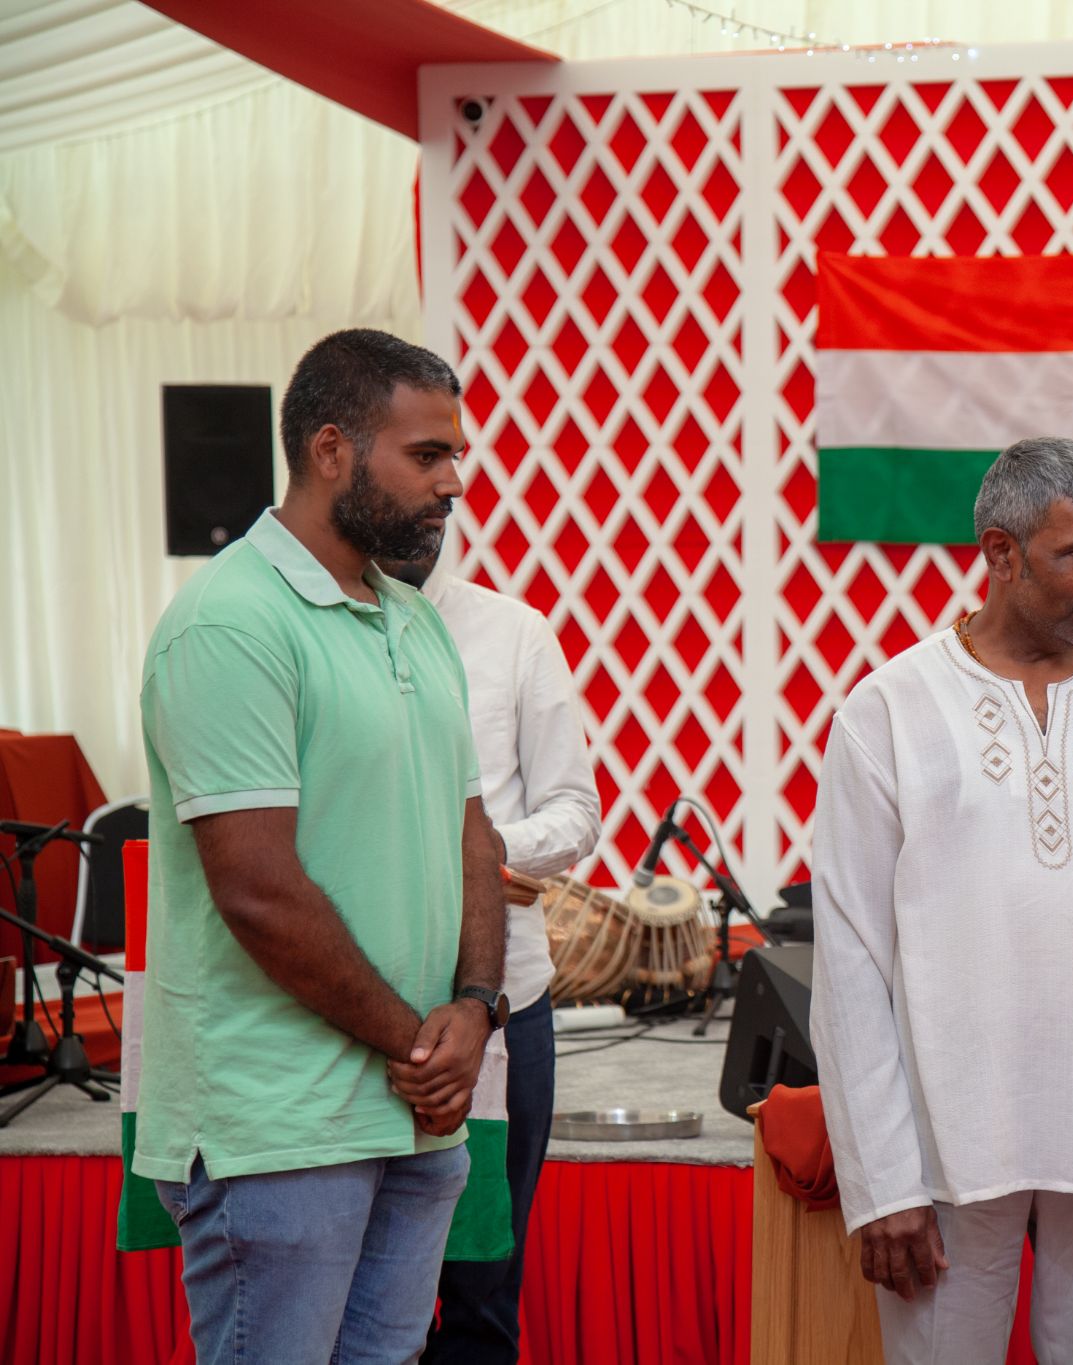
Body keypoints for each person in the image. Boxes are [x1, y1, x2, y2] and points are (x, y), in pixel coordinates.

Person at [810, 437, 1073, 1365]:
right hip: (948, 1146)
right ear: (1000, 553)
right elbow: (849, 960)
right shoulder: (890, 711)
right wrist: (883, 1179)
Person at [136, 329, 509, 1365]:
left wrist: (477, 1005)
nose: (453, 483)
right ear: (332, 449)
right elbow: (258, 889)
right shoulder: (229, 624)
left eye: (453, 455)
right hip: (277, 1128)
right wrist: (421, 1046)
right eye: (426, 455)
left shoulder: (415, 622)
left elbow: (471, 834)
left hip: (413, 1115)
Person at [379, 547, 603, 1364]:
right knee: (364, 1288)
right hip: (353, 1006)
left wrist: (479, 852)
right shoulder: (306, 634)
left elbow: (575, 811)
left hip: (506, 1009)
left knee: (481, 1290)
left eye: (447, 498)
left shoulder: (513, 631)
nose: (441, 498)